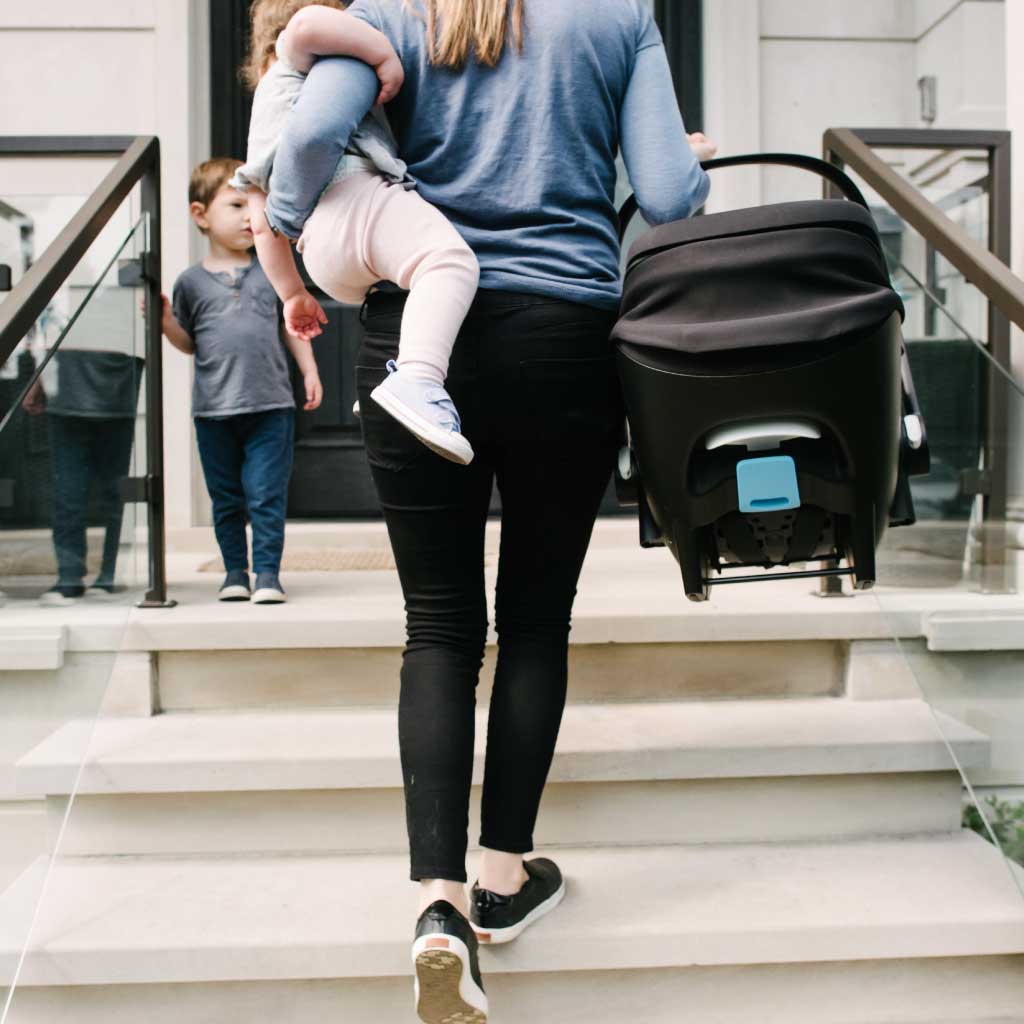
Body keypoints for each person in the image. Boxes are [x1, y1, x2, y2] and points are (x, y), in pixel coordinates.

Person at [266, 2, 716, 1020]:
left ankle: (436, 905)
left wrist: (287, 236)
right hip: (564, 336)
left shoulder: (385, 13)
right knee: (533, 624)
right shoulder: (619, 18)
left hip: (418, 331)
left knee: (436, 626)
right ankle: (503, 877)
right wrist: (689, 158)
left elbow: (303, 135)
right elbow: (668, 198)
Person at [232, 0, 480, 465]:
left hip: (319, 253)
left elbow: (264, 223)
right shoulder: (296, 59)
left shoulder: (263, 113)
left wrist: (292, 294)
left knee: (412, 287)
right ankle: (418, 380)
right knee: (449, 262)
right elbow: (307, 26)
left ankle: (383, 392)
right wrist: (384, 54)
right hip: (354, 198)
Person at [159, 157, 323, 605]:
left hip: (271, 404)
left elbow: (294, 325)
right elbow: (190, 343)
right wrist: (164, 321)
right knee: (226, 497)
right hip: (214, 410)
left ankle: (267, 573)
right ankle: (235, 571)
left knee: (267, 494)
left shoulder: (273, 271)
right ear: (201, 215)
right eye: (236, 205)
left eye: (255, 207)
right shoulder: (190, 283)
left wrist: (308, 370)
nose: (251, 217)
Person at [22, 349, 143, 605]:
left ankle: (108, 575)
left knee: (113, 493)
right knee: (68, 493)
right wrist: (39, 380)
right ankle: (70, 577)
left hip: (116, 395)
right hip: (68, 396)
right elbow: (53, 332)